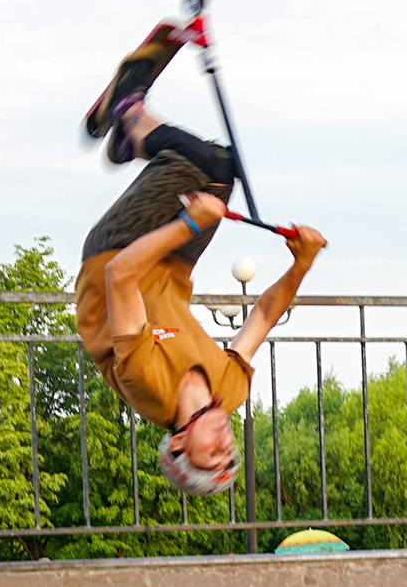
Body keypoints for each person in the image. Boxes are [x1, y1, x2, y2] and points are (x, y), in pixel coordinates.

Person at [75, 90, 327, 498]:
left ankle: (128, 114)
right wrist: (301, 265)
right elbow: (262, 316)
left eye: (211, 456)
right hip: (174, 266)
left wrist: (191, 224)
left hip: (116, 251)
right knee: (222, 169)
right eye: (230, 455)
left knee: (190, 163)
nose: (225, 446)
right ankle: (132, 136)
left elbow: (119, 276)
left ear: (178, 445)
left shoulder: (148, 385)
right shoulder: (229, 392)